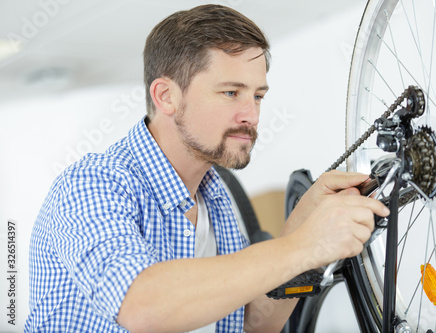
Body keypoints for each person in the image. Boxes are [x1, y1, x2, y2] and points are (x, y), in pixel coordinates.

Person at [25, 4, 389, 333]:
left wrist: (301, 227)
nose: (252, 114)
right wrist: (301, 246)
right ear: (166, 96)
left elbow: (251, 323)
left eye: (258, 95)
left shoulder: (217, 196)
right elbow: (141, 305)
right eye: (231, 92)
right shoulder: (93, 183)